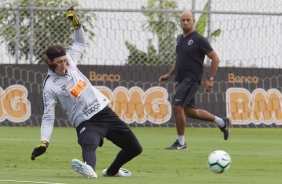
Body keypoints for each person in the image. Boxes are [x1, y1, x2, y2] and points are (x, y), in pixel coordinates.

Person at [30, 6, 142, 179]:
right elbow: (48, 116)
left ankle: (112, 171)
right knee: (89, 144)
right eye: (59, 62)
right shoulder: (50, 86)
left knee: (135, 148)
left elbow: (80, 43)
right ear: (50, 63)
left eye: (65, 60)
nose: (64, 64)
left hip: (104, 113)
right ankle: (89, 169)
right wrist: (44, 141)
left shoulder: (71, 61)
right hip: (85, 121)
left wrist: (76, 25)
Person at [159, 10, 231, 150]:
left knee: (177, 106)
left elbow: (215, 58)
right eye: (183, 20)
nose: (185, 22)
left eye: (188, 20)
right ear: (180, 22)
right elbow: (179, 60)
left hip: (191, 79)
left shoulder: (199, 39)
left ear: (194, 21)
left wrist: (210, 79)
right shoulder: (179, 39)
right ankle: (222, 123)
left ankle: (181, 143)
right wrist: (169, 74)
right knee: (191, 112)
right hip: (181, 79)